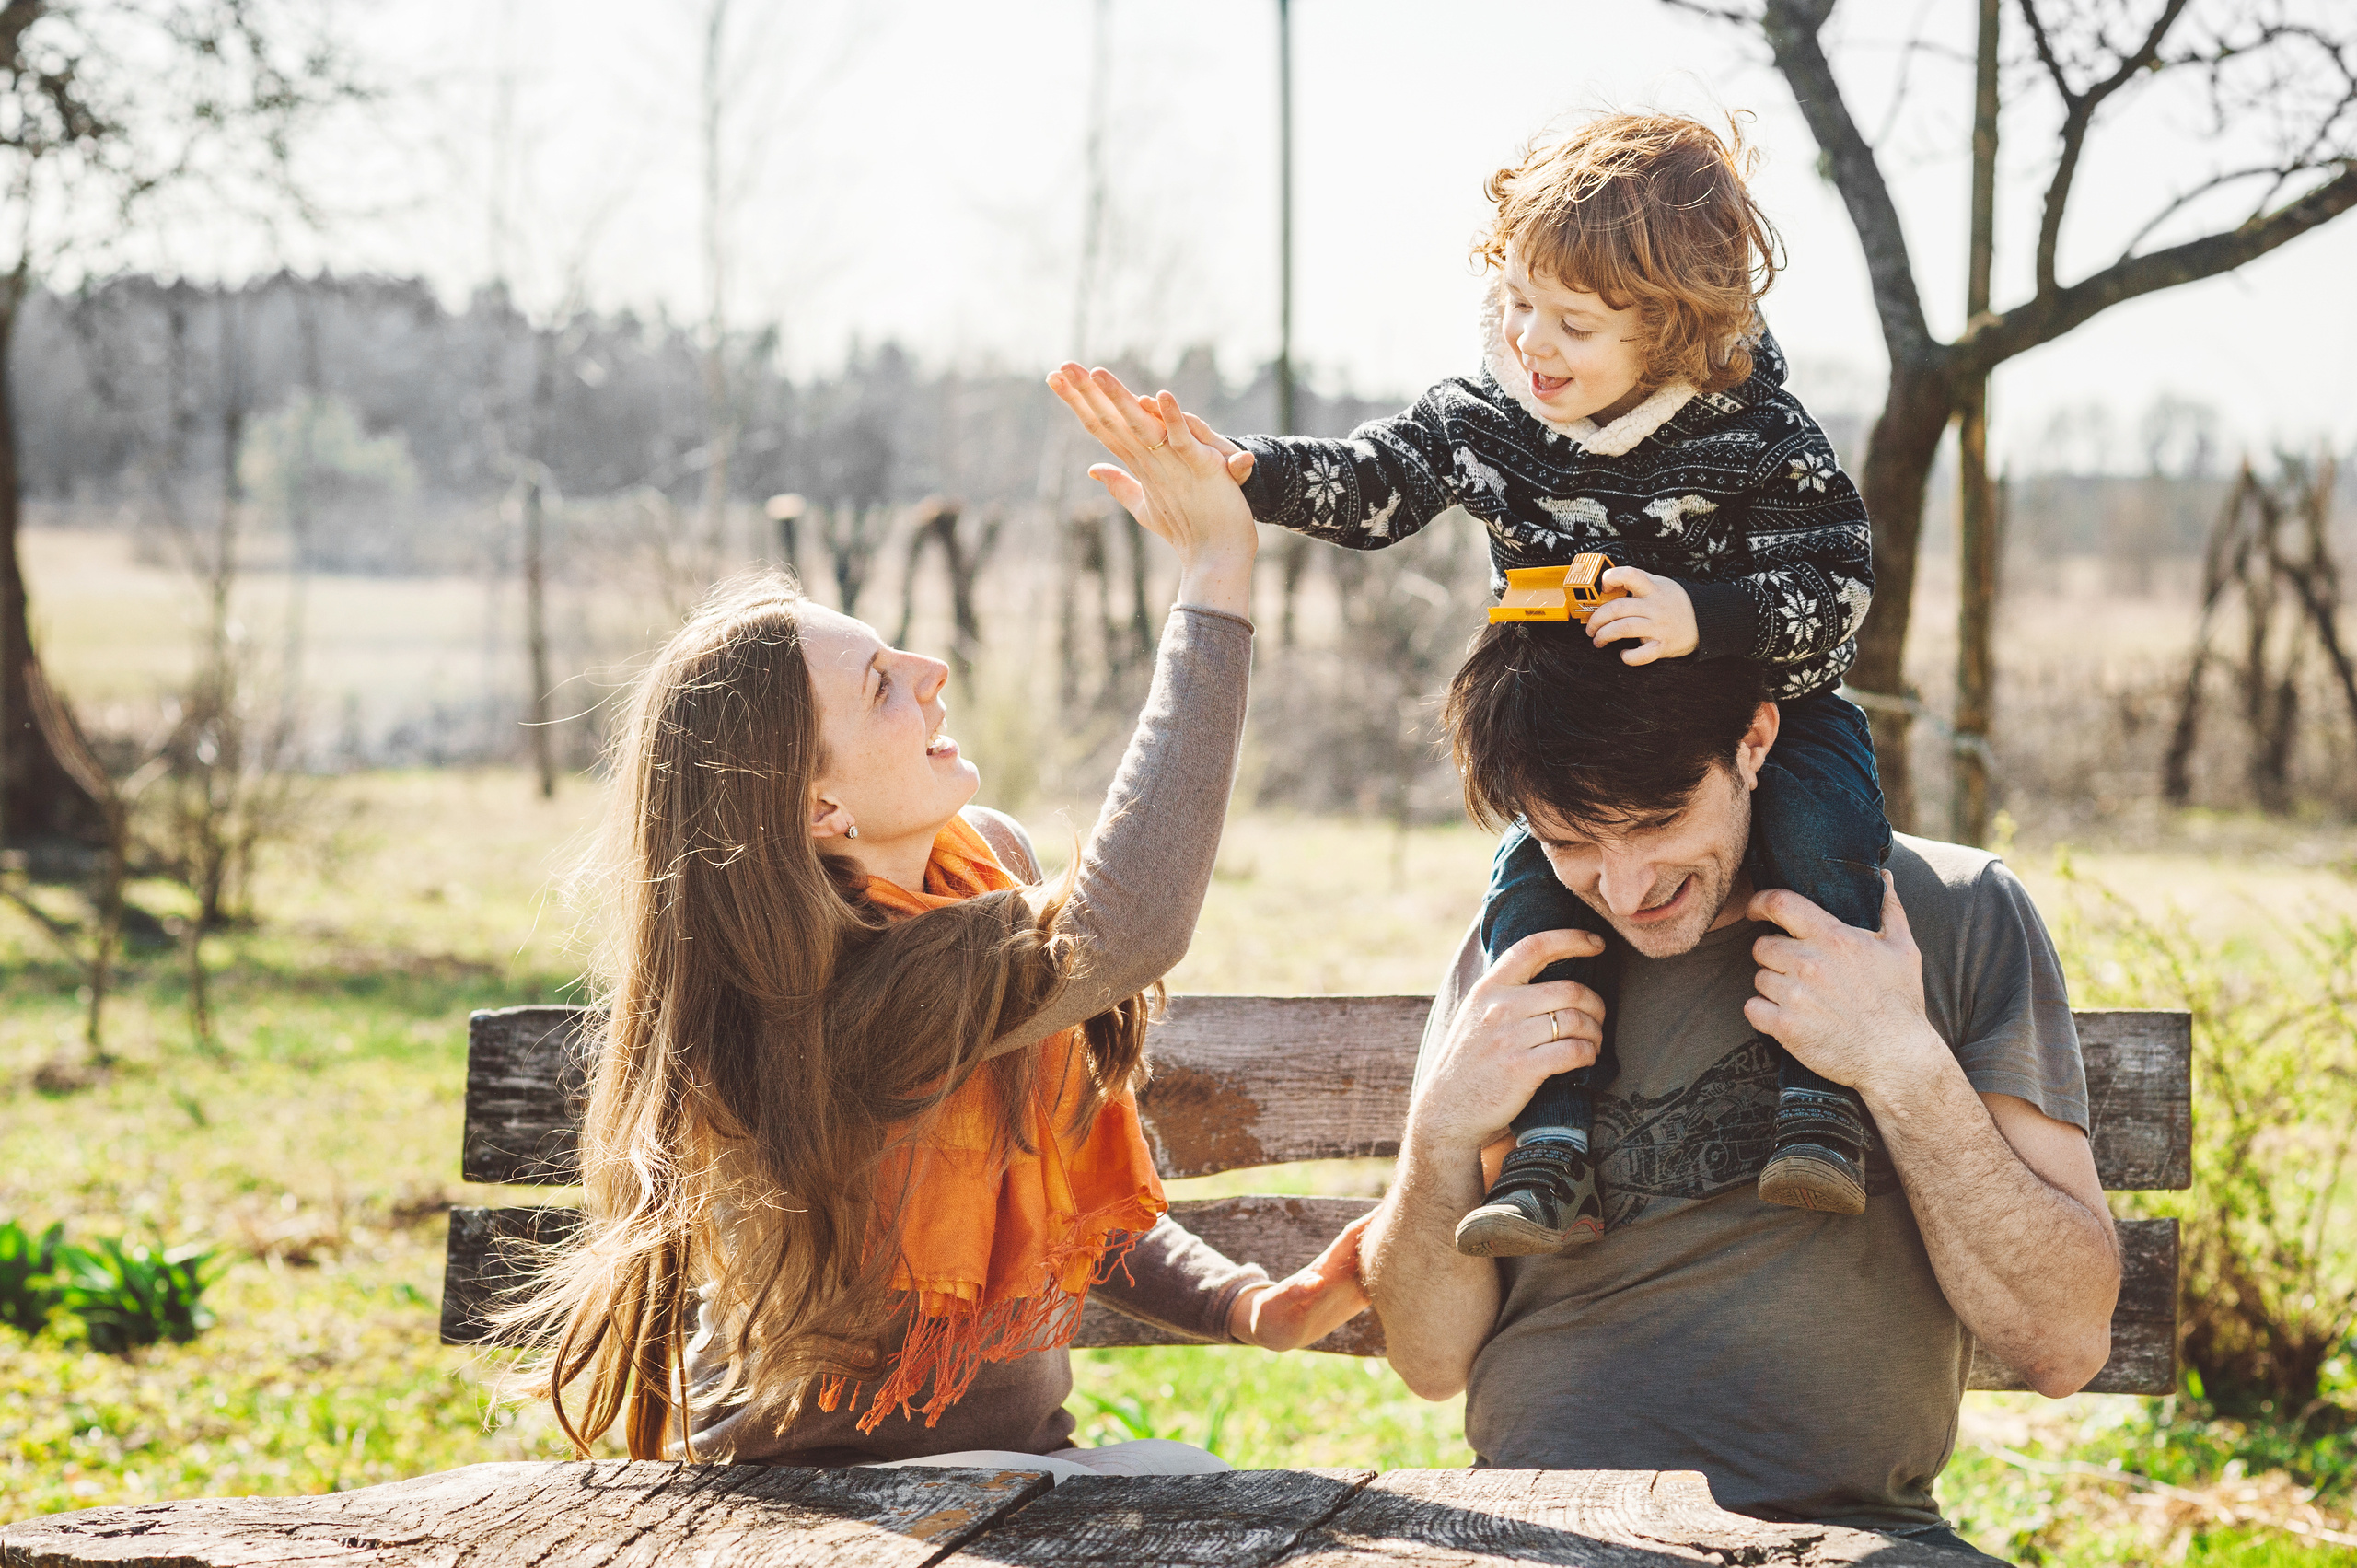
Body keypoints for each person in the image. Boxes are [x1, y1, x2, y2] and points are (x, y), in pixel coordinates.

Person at [506, 371, 1370, 1480]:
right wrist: (1215, 575)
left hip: (1018, 1474)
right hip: (807, 1504)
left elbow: (1059, 1188)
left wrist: (1251, 1304)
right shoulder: (816, 997)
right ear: (819, 809)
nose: (930, 670)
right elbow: (1127, 927)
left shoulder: (982, 866)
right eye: (879, 685)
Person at [1176, 111, 1887, 1253]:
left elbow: (1842, 582)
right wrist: (1244, 470)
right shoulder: (1487, 417)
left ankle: (1821, 1103)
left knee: (1822, 831)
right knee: (1529, 894)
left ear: (1673, 328)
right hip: (1568, 729)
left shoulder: (1754, 433)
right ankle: (1551, 1144)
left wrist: (1705, 615)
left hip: (1758, 709)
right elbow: (1376, 485)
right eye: (1515, 305)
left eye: (1575, 324)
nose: (1533, 345)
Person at [1362, 621, 2119, 1559]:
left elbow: (2063, 1339)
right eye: (1570, 841)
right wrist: (1440, 1128)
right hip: (1532, 1530)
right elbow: (1429, 1361)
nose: (1625, 886)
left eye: (1656, 820)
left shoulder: (1951, 911)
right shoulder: (1520, 948)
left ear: (1752, 740)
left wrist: (1895, 1055)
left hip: (1845, 1539)